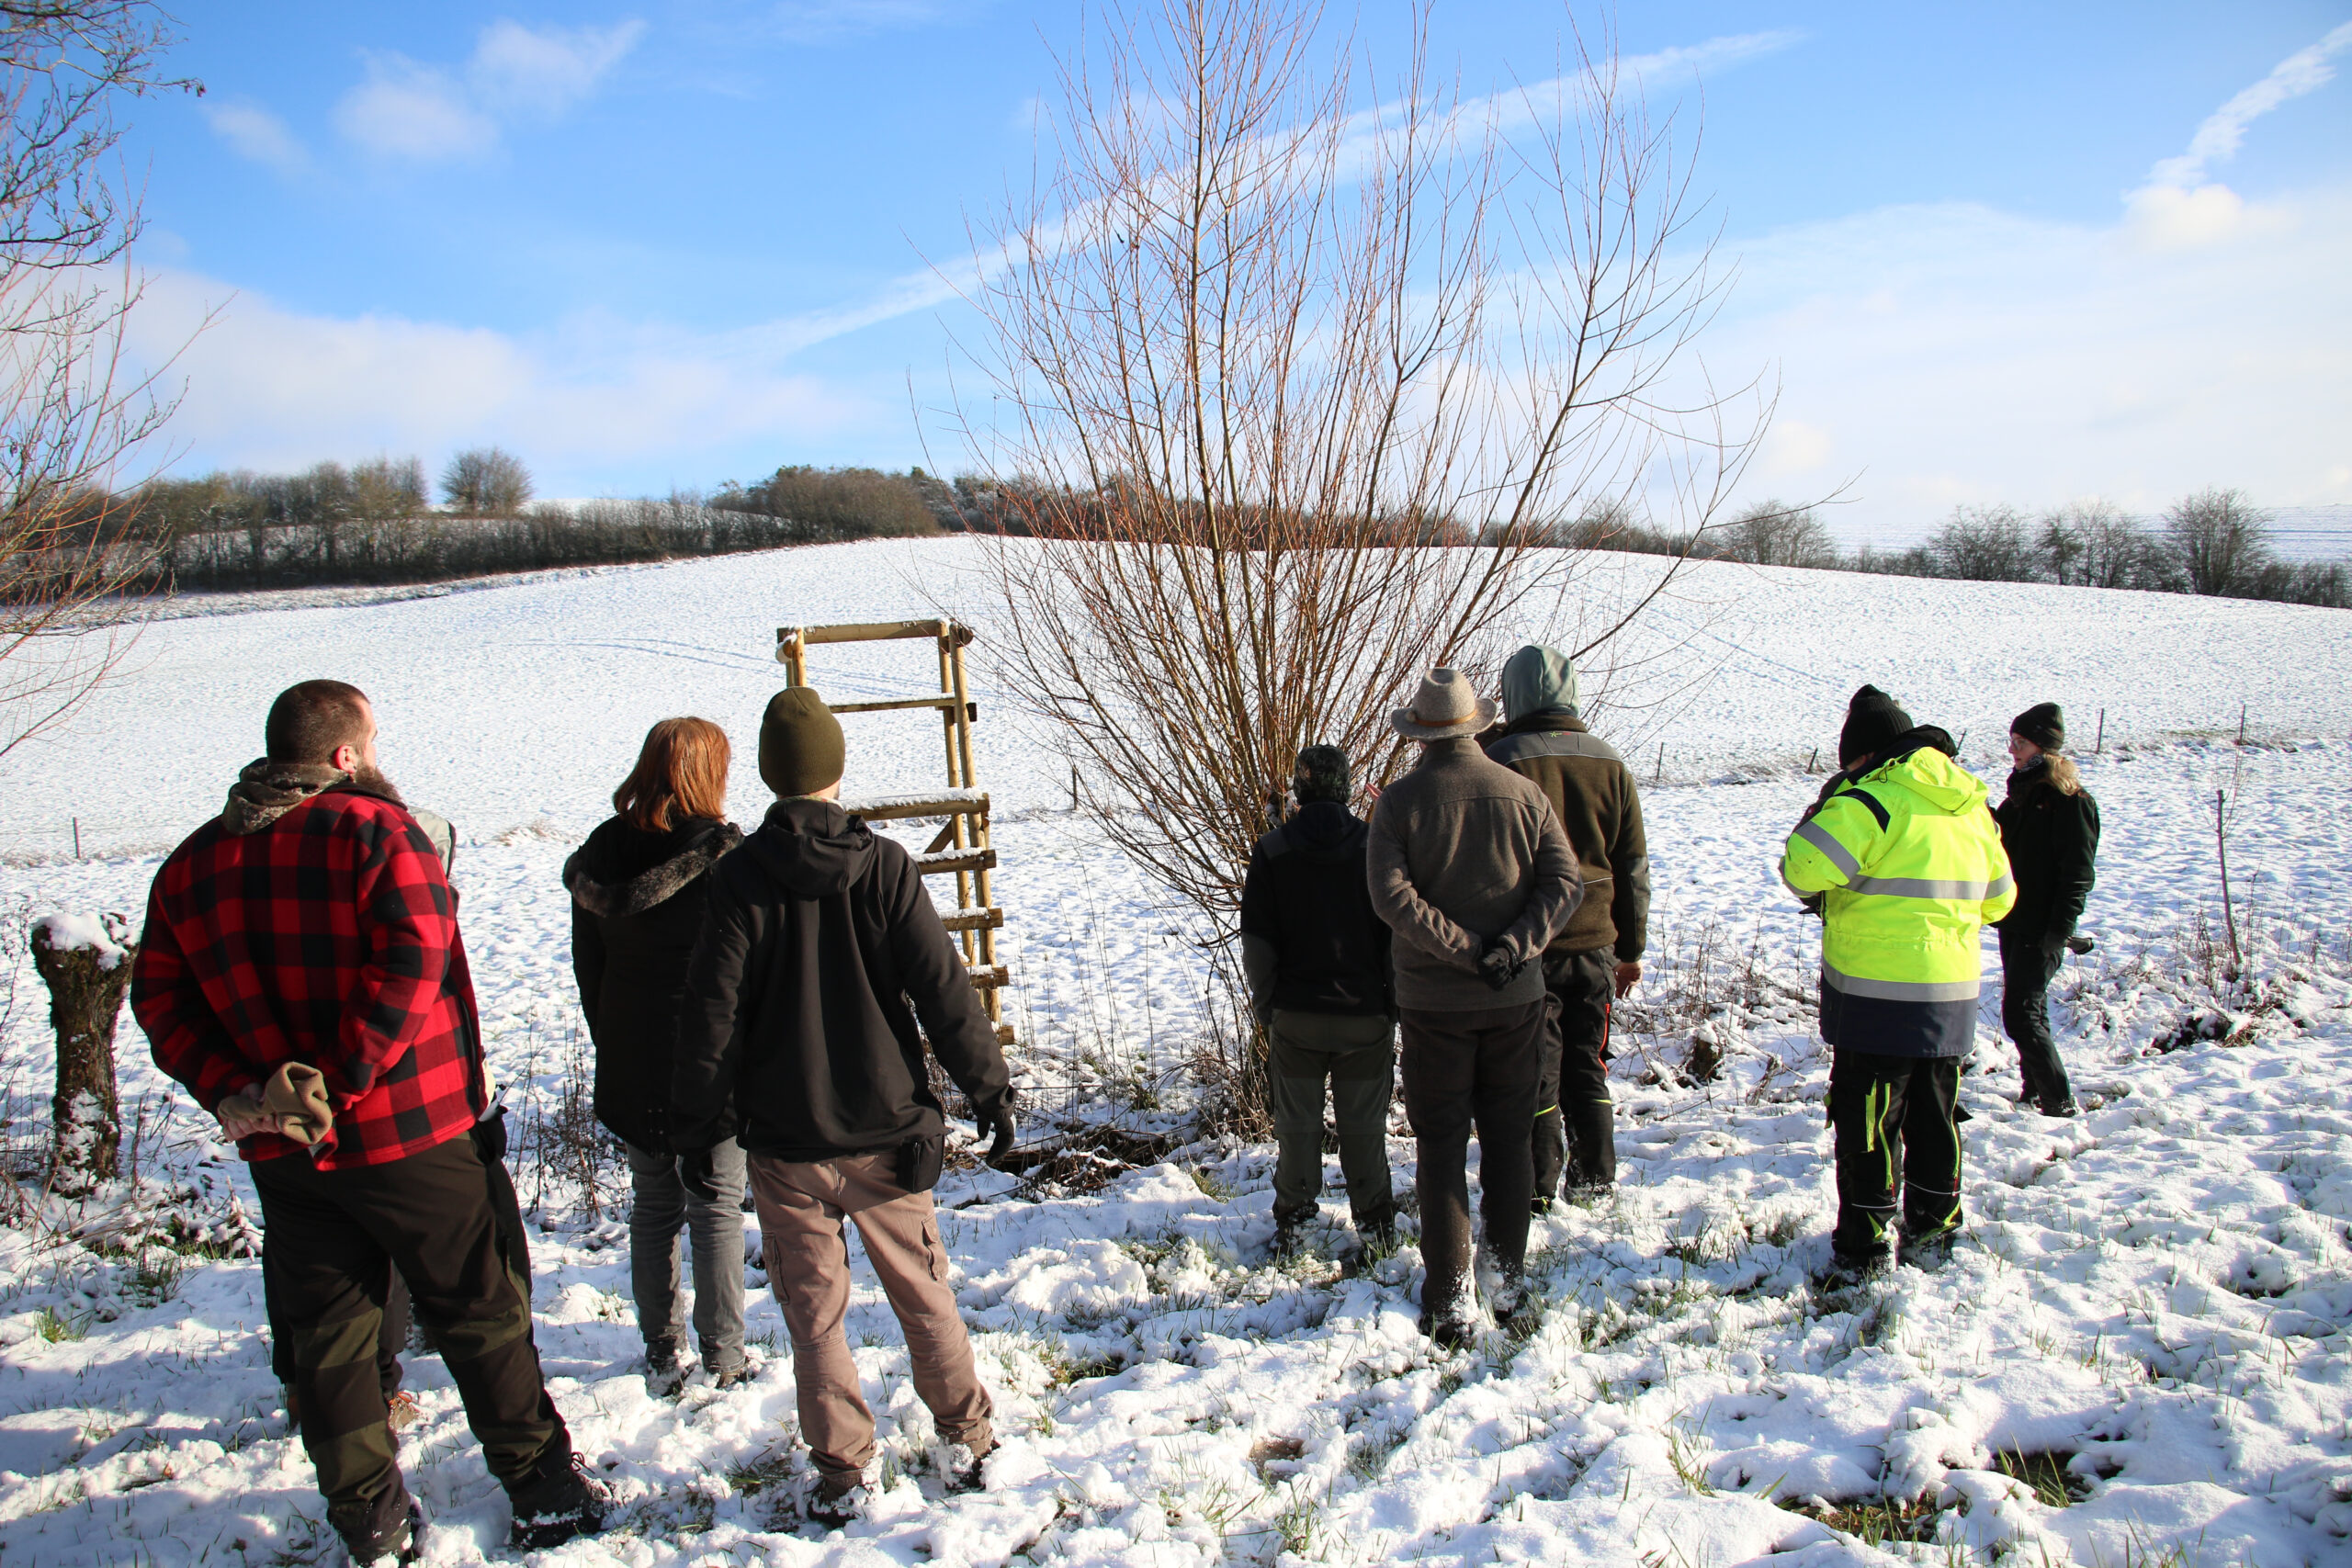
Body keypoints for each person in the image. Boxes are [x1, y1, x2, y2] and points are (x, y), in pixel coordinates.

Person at [130, 680, 602, 1563]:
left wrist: (239, 1090)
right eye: (373, 739)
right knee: (480, 1309)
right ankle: (545, 1492)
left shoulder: (190, 866)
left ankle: (370, 1521)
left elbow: (158, 999)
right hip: (411, 1132)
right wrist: (341, 1080)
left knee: (331, 1339)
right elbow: (414, 957)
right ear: (345, 753)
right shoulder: (377, 831)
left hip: (286, 1150)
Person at [673, 688, 1016, 1529]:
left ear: (768, 774)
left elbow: (709, 1016)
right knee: (922, 1289)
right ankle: (967, 1439)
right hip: (887, 1129)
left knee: (814, 1314)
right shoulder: (885, 865)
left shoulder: (735, 880)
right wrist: (989, 1086)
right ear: (835, 768)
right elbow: (943, 987)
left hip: (787, 1142)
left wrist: (695, 1122)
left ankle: (843, 1472)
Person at [1367, 669, 1580, 1346]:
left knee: (1439, 1144)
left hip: (1434, 1003)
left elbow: (1391, 899)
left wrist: (1462, 950)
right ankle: (1505, 1277)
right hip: (1515, 997)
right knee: (1510, 1139)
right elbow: (1565, 883)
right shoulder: (1526, 795)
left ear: (1420, 735)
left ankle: (1449, 1293)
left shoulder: (1399, 804)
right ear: (1477, 725)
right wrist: (1512, 948)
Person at [1780, 684, 2015, 1281]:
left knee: (1868, 1121)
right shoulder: (1971, 805)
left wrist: (1826, 808)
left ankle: (1865, 1242)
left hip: (1876, 992)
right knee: (1936, 1116)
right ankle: (1935, 1229)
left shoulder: (1874, 800)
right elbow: (2001, 900)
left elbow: (1801, 866)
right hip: (1953, 991)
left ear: (1863, 755)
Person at [565, 717, 750, 1393]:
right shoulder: (725, 857)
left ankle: (660, 1346)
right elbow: (746, 971)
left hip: (632, 1059)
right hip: (712, 1063)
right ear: (706, 773)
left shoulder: (600, 854)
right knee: (717, 1205)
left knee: (653, 1204)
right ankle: (725, 1357)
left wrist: (612, 1036)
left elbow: (591, 969)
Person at [1485, 645, 1649, 1208]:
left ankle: (1538, 1186)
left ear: (1512, 695)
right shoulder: (1612, 762)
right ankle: (1597, 1176)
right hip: (1596, 944)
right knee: (1589, 1060)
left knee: (1536, 1068)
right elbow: (1631, 866)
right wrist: (1630, 948)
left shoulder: (1501, 759)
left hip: (1529, 941)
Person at [1238, 744, 1396, 1257]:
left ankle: (1298, 1223)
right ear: (1346, 787)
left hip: (1297, 1017)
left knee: (1298, 1128)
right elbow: (1395, 935)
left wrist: (1268, 1010)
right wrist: (1393, 1004)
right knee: (1365, 1128)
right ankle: (1374, 1224)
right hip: (1365, 1017)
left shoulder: (1273, 850)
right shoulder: (1376, 847)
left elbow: (1258, 944)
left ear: (1300, 792)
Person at [1992, 703, 2099, 1119]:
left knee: (2019, 1015)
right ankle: (2035, 1089)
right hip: (2014, 920)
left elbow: (2078, 875)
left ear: (2044, 749)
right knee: (2028, 1010)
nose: (2012, 751)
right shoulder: (2020, 796)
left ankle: (2058, 1099)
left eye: (2020, 743)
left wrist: (2060, 929)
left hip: (2043, 927)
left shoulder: (2070, 802)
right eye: (2012, 741)